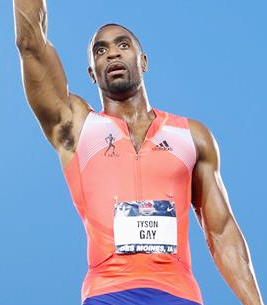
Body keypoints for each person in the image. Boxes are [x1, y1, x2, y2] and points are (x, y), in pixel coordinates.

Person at [13, 1, 264, 305]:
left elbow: (222, 231)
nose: (113, 53)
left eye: (123, 44)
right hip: (108, 293)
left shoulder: (192, 137)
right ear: (92, 73)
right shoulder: (76, 128)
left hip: (179, 294)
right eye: (100, 50)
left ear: (143, 61)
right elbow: (31, 45)